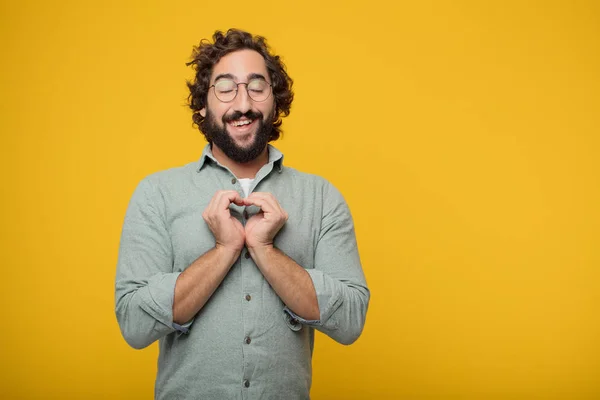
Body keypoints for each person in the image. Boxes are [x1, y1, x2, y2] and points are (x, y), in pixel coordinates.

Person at [115, 28, 370, 400]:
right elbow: (135, 325)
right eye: (225, 87)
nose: (243, 102)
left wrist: (265, 250)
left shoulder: (322, 197)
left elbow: (350, 322)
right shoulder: (156, 194)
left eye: (257, 86)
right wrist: (224, 250)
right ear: (203, 104)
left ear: (275, 100)